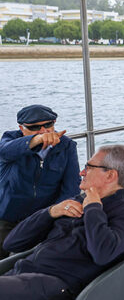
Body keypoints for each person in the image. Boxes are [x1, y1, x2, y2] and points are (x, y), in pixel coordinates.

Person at [0, 145, 124, 300]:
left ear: (110, 176)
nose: (81, 172)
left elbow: (103, 253)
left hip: (53, 292)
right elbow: (12, 243)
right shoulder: (74, 202)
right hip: (18, 277)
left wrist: (93, 208)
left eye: (89, 167)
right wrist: (50, 212)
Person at [0, 104, 80, 257]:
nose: (43, 131)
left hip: (42, 217)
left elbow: (71, 188)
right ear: (21, 128)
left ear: (54, 123)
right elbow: (5, 151)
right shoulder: (9, 140)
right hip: (7, 216)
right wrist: (36, 141)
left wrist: (52, 216)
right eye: (35, 127)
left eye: (48, 125)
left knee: (33, 261)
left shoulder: (67, 146)